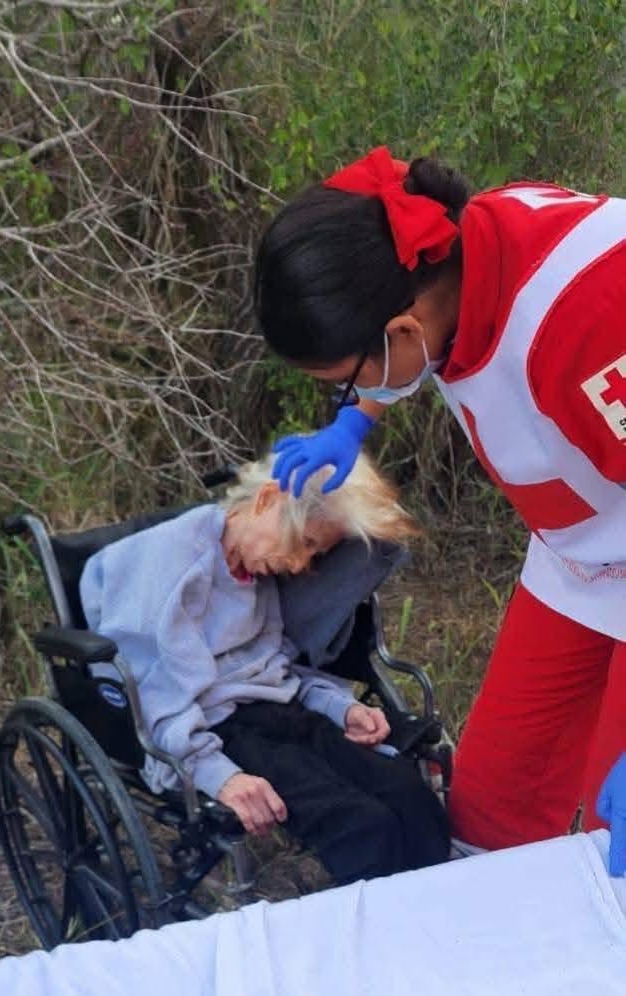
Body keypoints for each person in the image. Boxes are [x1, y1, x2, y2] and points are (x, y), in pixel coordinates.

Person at [253, 145, 626, 857]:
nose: (346, 393)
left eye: (341, 382)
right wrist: (353, 419)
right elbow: (399, 345)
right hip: (585, 550)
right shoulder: (449, 257)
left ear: (400, 333)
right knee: (495, 803)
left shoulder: (582, 327)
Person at [79, 451, 450, 885]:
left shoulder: (256, 574)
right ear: (266, 500)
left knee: (410, 796)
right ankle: (386, 942)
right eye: (307, 544)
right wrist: (220, 776)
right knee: (363, 826)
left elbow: (276, 667)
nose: (299, 565)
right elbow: (149, 695)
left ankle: (444, 929)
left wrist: (339, 708)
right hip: (211, 729)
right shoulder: (170, 563)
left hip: (279, 712)